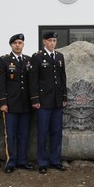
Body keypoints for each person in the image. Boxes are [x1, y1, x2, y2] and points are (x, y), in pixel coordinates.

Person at [29, 31, 67, 174]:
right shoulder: (37, 57)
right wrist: (35, 99)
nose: (52, 43)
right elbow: (33, 80)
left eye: (54, 41)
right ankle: (42, 162)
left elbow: (62, 78)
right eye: (50, 40)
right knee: (43, 133)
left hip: (57, 102)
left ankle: (55, 160)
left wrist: (64, 97)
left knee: (56, 132)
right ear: (44, 42)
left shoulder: (59, 56)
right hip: (43, 102)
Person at [0, 34, 34, 173]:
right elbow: (0, 84)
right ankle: (10, 162)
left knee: (24, 134)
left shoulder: (29, 60)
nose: (18, 45)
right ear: (11, 45)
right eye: (15, 43)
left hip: (25, 105)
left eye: (20, 43)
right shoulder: (4, 60)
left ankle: (22, 161)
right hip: (10, 105)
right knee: (10, 134)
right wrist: (2, 102)